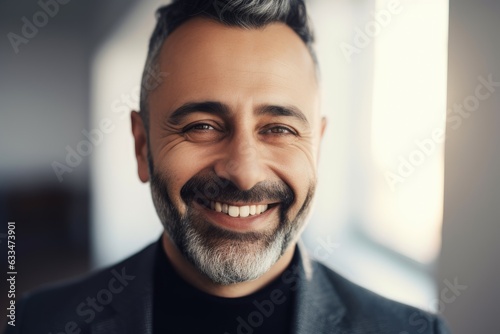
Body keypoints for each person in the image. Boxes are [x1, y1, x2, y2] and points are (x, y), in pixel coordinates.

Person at [5, 0, 451, 333]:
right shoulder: (36, 321)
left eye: (278, 129)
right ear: (142, 147)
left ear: (317, 147)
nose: (244, 172)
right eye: (201, 125)